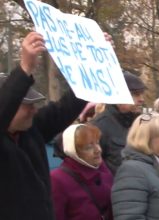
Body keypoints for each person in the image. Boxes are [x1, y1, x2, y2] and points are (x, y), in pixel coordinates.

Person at [0, 32, 88, 219]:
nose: (34, 110)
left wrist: (92, 63)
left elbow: (67, 107)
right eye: (27, 105)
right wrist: (25, 68)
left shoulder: (32, 130)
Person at [51, 124, 113, 220]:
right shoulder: (57, 179)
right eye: (88, 147)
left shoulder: (102, 169)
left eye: (97, 143)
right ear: (73, 151)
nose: (98, 150)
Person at [90, 71, 146, 175]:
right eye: (136, 95)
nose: (141, 100)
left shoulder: (142, 123)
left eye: (142, 94)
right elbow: (93, 168)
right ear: (118, 96)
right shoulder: (99, 126)